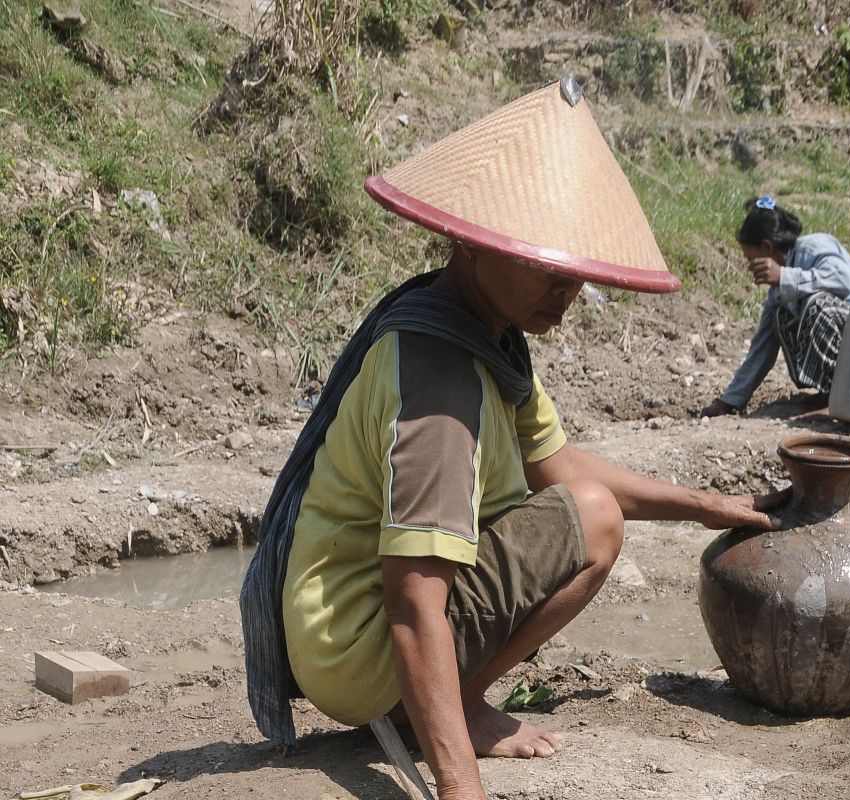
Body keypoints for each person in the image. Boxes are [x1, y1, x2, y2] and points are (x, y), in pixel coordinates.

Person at [239, 78, 787, 800]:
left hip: (347, 628)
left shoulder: (482, 335)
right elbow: (412, 605)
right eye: (545, 265)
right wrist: (462, 788)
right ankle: (448, 708)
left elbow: (553, 464)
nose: (565, 289)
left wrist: (703, 505)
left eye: (574, 271)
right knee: (592, 518)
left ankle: (444, 702)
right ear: (471, 244)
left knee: (586, 503)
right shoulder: (439, 386)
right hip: (357, 644)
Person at [700, 195, 850, 418]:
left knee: (817, 305)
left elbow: (842, 282)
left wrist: (785, 276)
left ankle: (833, 399)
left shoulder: (813, 246)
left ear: (767, 247)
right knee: (781, 316)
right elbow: (763, 345)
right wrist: (730, 401)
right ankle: (830, 392)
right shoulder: (779, 290)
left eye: (751, 258)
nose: (750, 267)